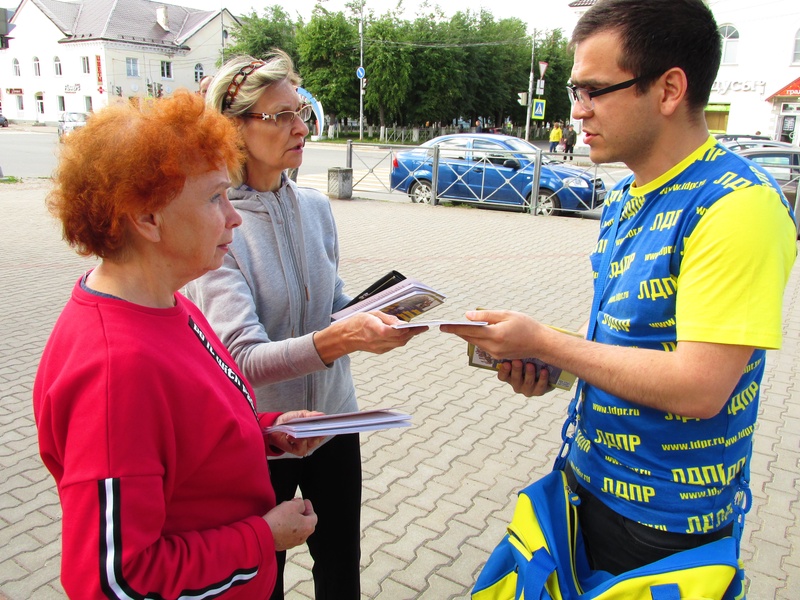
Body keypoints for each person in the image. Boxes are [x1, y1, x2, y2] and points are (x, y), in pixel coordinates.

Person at [443, 0, 796, 579]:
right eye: (573, 90)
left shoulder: (738, 206)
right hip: (586, 480)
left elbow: (700, 387)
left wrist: (552, 345)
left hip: (663, 522)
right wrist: (545, 361)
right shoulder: (627, 195)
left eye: (593, 91)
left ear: (669, 89)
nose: (576, 112)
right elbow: (633, 348)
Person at [33, 90, 324, 598]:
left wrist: (267, 431)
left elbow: (186, 435)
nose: (234, 217)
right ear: (147, 219)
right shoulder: (115, 374)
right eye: (215, 197)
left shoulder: (169, 303)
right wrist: (263, 537)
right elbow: (116, 581)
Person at [184, 51, 423, 600]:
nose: (301, 128)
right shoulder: (219, 224)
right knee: (261, 577)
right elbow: (241, 357)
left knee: (341, 565)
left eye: (301, 111)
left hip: (334, 423)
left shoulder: (315, 206)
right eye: (280, 116)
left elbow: (331, 304)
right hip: (264, 437)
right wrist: (339, 339)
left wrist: (374, 316)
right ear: (234, 129)